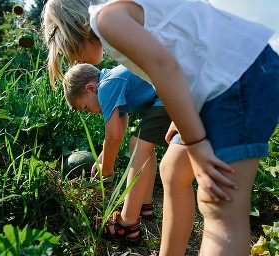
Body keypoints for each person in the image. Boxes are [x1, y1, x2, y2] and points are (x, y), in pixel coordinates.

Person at [43, 0, 279, 254]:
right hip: (216, 81)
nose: (72, 59)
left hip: (237, 74)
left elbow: (164, 67)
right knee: (173, 170)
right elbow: (179, 52)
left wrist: (197, 144)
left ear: (68, 30)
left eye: (64, 51)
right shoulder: (121, 17)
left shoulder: (106, 19)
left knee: (221, 206)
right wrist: (180, 118)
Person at [65, 63, 171, 245]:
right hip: (170, 92)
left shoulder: (107, 85)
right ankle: (144, 205)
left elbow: (112, 137)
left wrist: (106, 172)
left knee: (138, 144)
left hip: (172, 94)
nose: (90, 112)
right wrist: (101, 159)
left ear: (91, 88)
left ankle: (127, 225)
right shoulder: (112, 86)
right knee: (142, 145)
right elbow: (118, 133)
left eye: (85, 107)